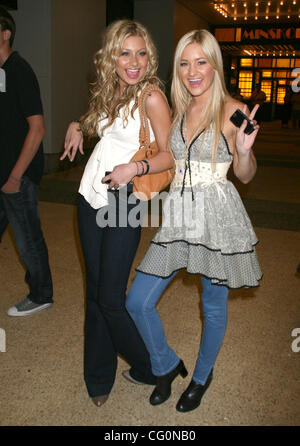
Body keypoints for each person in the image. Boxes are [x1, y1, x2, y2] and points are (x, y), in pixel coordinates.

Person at [126, 29, 262, 413]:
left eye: (201, 61)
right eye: (185, 63)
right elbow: (171, 157)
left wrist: (244, 151)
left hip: (217, 215)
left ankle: (202, 376)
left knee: (213, 305)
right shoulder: (182, 107)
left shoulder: (232, 110)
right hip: (180, 214)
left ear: (215, 65)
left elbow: (246, 174)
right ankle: (166, 364)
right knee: (138, 301)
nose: (192, 71)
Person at [60, 20, 173, 407]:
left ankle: (155, 365)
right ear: (112, 56)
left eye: (141, 53)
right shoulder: (113, 89)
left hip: (124, 202)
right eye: (125, 53)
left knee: (110, 298)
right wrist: (77, 124)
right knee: (95, 293)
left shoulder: (152, 96)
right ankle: (98, 376)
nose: (134, 61)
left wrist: (134, 170)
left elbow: (169, 155)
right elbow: (99, 128)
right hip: (89, 196)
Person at [0, 8, 53, 317]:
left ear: (6, 34)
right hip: (4, 173)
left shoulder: (20, 70)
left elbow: (38, 128)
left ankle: (42, 293)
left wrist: (15, 177)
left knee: (28, 237)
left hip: (18, 176)